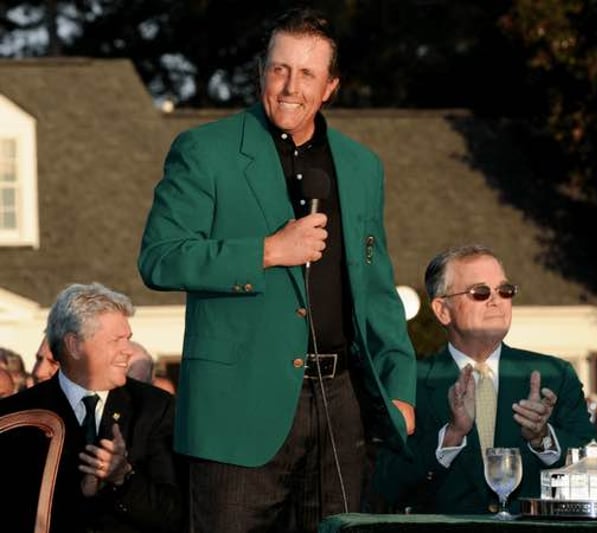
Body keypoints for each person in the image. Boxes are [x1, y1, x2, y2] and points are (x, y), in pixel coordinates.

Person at [137, 8, 416, 531]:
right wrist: (266, 251)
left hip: (342, 405)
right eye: (279, 69)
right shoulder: (204, 151)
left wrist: (400, 389)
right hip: (236, 410)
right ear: (261, 70)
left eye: (307, 74)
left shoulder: (362, 165)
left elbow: (376, 287)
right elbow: (160, 256)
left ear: (330, 86)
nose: (290, 87)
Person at [374, 245, 596, 514]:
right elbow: (384, 485)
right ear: (443, 310)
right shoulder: (408, 381)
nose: (496, 300)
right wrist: (452, 436)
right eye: (480, 292)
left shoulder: (554, 375)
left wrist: (543, 439)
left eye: (505, 291)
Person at [0, 283, 184, 533]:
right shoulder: (17, 415)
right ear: (75, 345)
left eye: (128, 339)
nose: (128, 351)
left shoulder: (155, 408)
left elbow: (174, 513)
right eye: (116, 340)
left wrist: (122, 477)